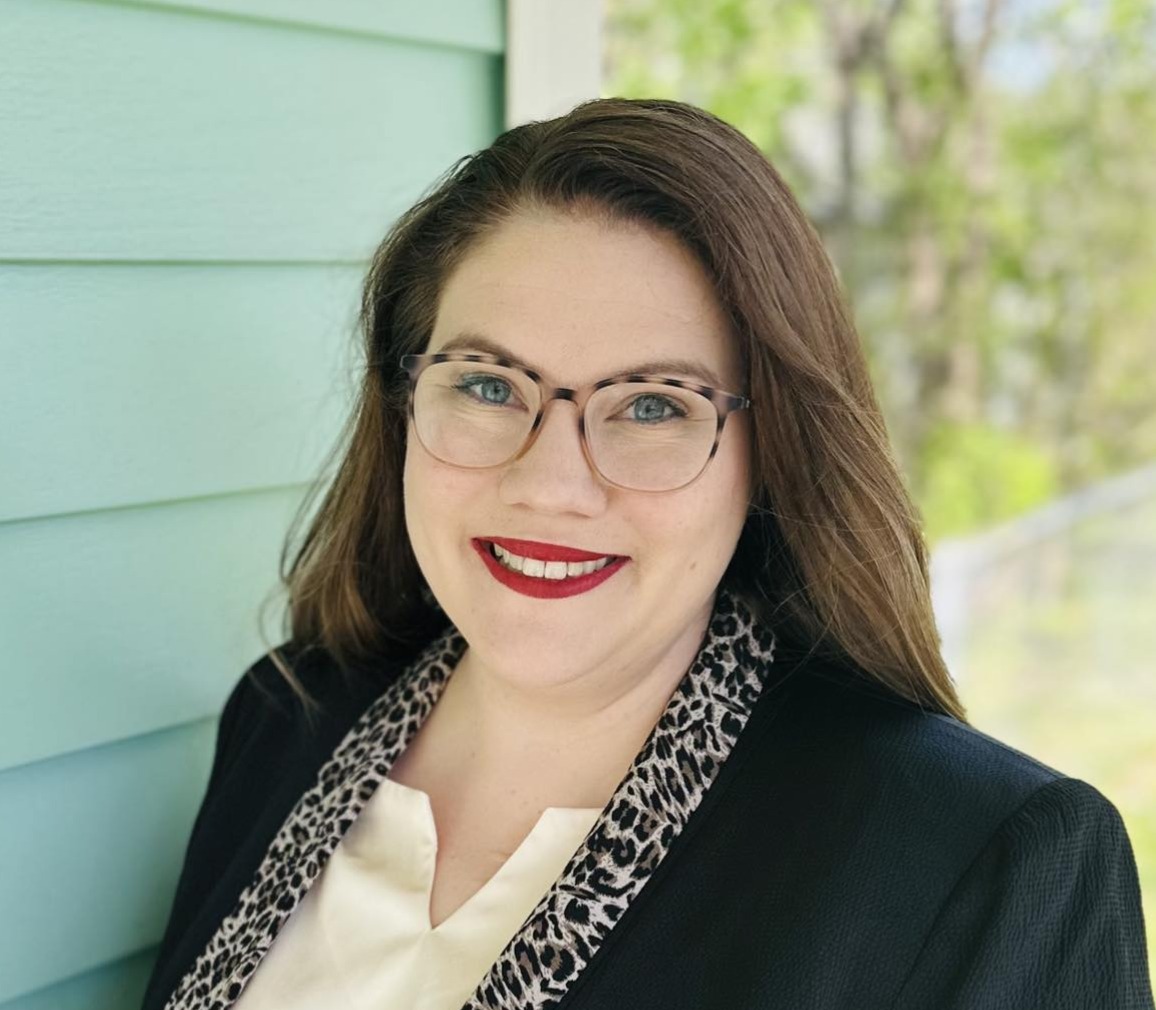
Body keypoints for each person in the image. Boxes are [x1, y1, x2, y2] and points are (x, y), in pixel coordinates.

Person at [140, 97, 1154, 1010]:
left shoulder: (980, 860)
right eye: (489, 384)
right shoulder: (286, 718)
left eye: (653, 406)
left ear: (768, 457)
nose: (549, 484)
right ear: (404, 401)